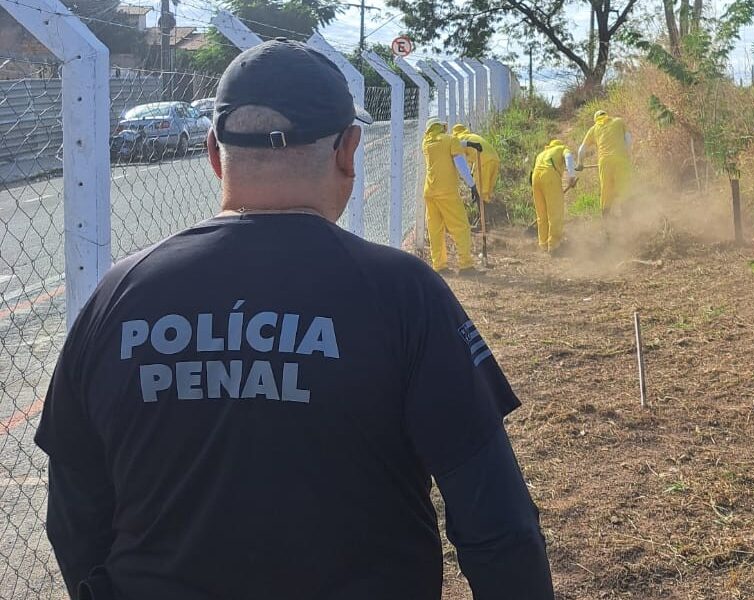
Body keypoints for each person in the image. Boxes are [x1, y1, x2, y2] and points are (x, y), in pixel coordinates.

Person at [35, 39, 553, 600]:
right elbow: (497, 521)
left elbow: (73, 515)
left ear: (213, 152)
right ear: (347, 150)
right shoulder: (404, 294)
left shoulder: (119, 294)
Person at [423, 118, 480, 274]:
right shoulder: (450, 140)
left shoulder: (426, 143)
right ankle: (466, 265)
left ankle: (439, 266)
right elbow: (460, 164)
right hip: (447, 191)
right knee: (461, 226)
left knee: (435, 230)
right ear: (442, 127)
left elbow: (446, 145)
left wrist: (468, 144)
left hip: (429, 192)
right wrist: (472, 184)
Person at [576, 110, 633, 214]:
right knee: (623, 185)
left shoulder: (593, 129)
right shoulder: (619, 121)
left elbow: (582, 149)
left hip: (604, 162)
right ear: (607, 116)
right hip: (621, 159)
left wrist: (580, 164)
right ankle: (627, 216)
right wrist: (628, 155)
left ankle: (606, 219)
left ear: (595, 120)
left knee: (606, 189)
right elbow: (628, 140)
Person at [530, 139, 576, 253]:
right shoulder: (562, 148)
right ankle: (554, 244)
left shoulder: (542, 154)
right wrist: (571, 176)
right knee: (555, 211)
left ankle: (543, 244)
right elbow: (569, 157)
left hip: (535, 179)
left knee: (542, 213)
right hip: (549, 176)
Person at [451, 123, 501, 205]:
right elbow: (471, 159)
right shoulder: (472, 136)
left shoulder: (460, 138)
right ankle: (488, 213)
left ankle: (483, 214)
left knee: (479, 191)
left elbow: (461, 162)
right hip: (495, 159)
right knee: (487, 191)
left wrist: (470, 181)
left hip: (483, 161)